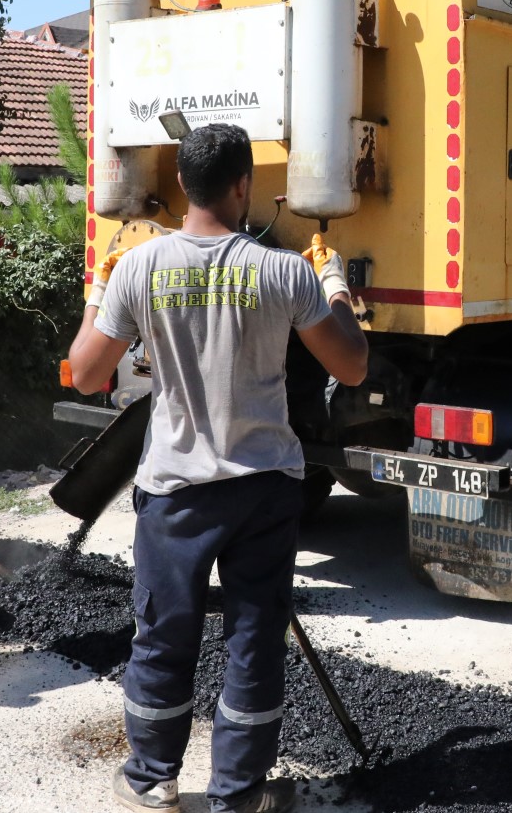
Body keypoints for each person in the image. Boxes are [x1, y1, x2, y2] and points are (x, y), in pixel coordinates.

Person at [67, 124, 368, 813]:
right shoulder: (284, 271)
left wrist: (99, 289)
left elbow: (85, 374)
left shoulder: (139, 269)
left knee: (163, 637)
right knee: (254, 641)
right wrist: (334, 283)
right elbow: (351, 365)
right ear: (243, 186)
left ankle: (152, 780)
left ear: (181, 184)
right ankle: (238, 795)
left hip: (174, 492)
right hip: (264, 488)